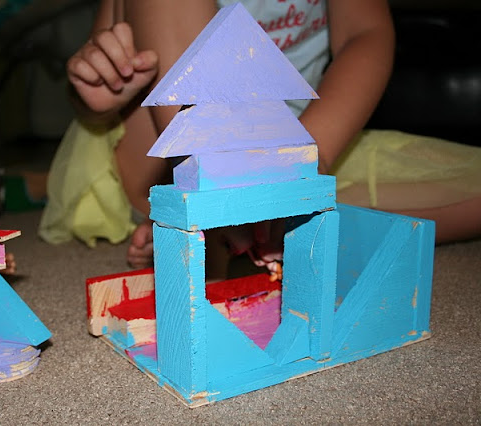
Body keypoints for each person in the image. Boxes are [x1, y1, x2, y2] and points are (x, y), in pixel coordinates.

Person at [39, 0, 481, 278]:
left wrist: (307, 157)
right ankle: (216, 205)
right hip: (161, 145)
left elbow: (366, 35)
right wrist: (103, 95)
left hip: (308, 132)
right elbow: (101, 68)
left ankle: (262, 225)